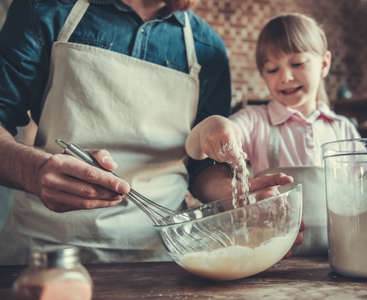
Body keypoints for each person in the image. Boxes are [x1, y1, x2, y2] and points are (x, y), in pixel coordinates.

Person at [0, 0, 296, 265]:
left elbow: (202, 168)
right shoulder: (44, 8)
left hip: (162, 255)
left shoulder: (208, 48)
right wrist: (34, 171)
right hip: (46, 253)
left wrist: (237, 199)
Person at [186, 13, 360, 255]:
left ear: (324, 63)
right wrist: (213, 127)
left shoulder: (343, 129)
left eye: (297, 63)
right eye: (272, 69)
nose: (285, 77)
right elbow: (219, 135)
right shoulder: (256, 119)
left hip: (340, 254)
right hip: (276, 255)